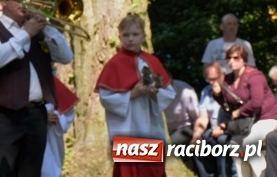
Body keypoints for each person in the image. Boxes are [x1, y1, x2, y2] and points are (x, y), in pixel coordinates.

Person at [0, 0, 74, 177]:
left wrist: (47, 27)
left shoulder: (40, 32)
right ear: (3, 2)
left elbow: (66, 56)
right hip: (5, 115)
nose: (23, 3)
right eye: (17, 0)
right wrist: (26, 34)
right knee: (3, 171)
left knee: (32, 172)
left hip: (37, 113)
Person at [95, 13, 176, 177]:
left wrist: (155, 93)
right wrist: (131, 94)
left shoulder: (152, 61)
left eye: (135, 34)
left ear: (143, 36)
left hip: (152, 126)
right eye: (126, 35)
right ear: (120, 36)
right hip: (128, 127)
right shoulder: (115, 64)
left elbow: (168, 92)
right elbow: (106, 97)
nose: (130, 39)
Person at [211, 44, 277, 177]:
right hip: (246, 122)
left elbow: (256, 103)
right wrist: (217, 95)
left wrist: (238, 112)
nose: (232, 61)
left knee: (250, 143)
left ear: (244, 60)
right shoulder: (228, 79)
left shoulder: (255, 76)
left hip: (266, 118)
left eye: (236, 58)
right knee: (236, 148)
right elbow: (228, 107)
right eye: (229, 58)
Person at [192, 62, 233, 177]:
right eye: (208, 79)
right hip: (214, 130)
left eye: (214, 79)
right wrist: (196, 135)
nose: (211, 82)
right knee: (197, 146)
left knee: (221, 143)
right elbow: (203, 116)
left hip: (232, 130)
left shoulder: (232, 89)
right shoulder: (206, 91)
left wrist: (224, 126)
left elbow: (239, 114)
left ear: (223, 74)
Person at [41, 77, 78, 177]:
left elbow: (68, 112)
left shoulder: (48, 79)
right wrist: (40, 116)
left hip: (50, 140)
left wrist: (55, 116)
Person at [164, 79, 200, 173]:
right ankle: (192, 168)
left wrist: (197, 136)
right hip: (171, 129)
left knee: (171, 145)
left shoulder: (186, 91)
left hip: (187, 126)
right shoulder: (158, 91)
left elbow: (197, 116)